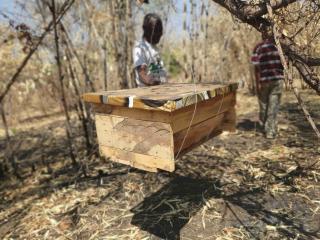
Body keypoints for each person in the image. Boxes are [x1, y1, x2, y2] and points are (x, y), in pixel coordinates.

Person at [251, 29, 284, 139]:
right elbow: (285, 63)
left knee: (264, 106)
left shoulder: (257, 48)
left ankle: (264, 128)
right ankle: (270, 131)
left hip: (264, 81)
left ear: (262, 34)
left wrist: (257, 84)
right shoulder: (279, 47)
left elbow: (256, 68)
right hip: (277, 80)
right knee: (273, 106)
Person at [133, 13, 167, 87]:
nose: (160, 34)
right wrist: (155, 83)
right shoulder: (140, 48)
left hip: (160, 93)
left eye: (160, 30)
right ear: (147, 30)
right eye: (157, 31)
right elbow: (142, 74)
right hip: (147, 95)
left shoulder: (154, 48)